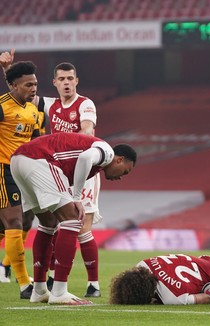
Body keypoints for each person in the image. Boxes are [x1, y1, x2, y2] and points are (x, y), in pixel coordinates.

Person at [1, 50, 103, 297]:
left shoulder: (85, 104)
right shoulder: (48, 105)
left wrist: (69, 145)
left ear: (76, 81)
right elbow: (17, 93)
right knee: (50, 224)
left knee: (79, 226)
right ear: (55, 82)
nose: (67, 83)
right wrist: (8, 70)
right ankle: (42, 282)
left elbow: (88, 132)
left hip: (83, 168)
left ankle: (93, 284)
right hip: (52, 170)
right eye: (62, 79)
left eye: (71, 78)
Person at [10, 132, 137, 305]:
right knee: (72, 220)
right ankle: (59, 292)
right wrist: (76, 197)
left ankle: (39, 290)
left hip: (18, 160)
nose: (122, 176)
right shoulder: (106, 151)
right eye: (126, 171)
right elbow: (85, 158)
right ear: (119, 160)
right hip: (40, 159)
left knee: (48, 223)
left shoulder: (98, 164)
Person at [0, 59, 40, 298]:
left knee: (25, 222)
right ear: (13, 85)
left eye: (35, 84)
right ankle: (25, 284)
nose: (33, 88)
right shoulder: (3, 107)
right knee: (13, 222)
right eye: (28, 85)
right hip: (3, 170)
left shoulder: (33, 110)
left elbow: (35, 142)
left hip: (24, 172)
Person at [110, 254, 210, 305]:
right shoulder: (142, 264)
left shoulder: (171, 297)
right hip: (208, 259)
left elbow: (207, 298)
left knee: (208, 291)